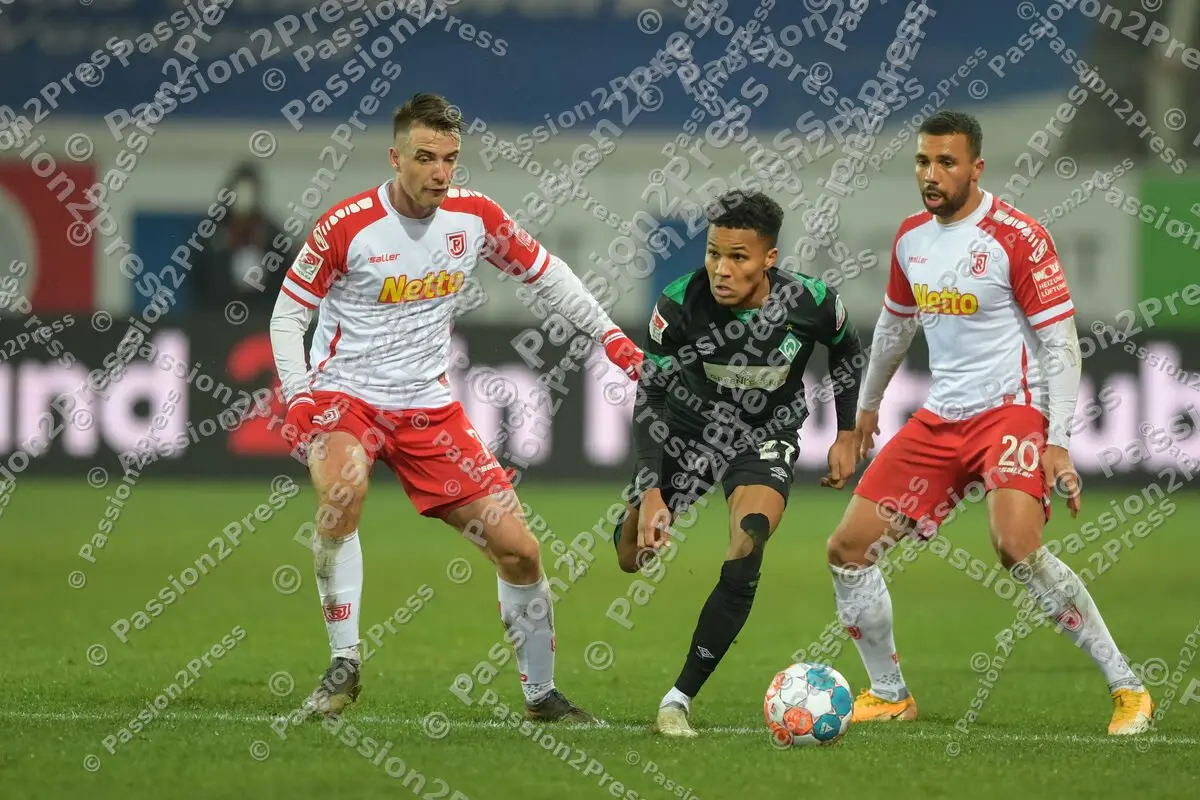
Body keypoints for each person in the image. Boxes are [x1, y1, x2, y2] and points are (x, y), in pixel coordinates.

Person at [268, 93, 643, 723]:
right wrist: (301, 396)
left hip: (428, 409)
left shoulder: (474, 218)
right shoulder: (347, 225)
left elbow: (547, 274)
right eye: (425, 158)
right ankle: (345, 661)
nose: (440, 172)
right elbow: (287, 316)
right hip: (345, 398)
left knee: (520, 550)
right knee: (343, 491)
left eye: (450, 159)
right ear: (395, 157)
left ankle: (541, 696)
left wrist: (611, 336)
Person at [828, 110, 1153, 735]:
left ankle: (1129, 688)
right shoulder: (909, 240)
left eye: (946, 162)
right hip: (941, 419)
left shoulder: (1019, 237)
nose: (931, 174)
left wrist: (1058, 442)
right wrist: (865, 409)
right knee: (847, 549)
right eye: (923, 161)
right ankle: (890, 692)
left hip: (1011, 411)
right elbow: (896, 327)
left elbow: (1061, 345)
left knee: (1015, 546)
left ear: (977, 167)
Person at [613, 190, 864, 737]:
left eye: (738, 257)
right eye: (713, 254)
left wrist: (847, 431)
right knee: (630, 556)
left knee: (749, 539)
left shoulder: (812, 302)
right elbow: (650, 397)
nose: (721, 270)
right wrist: (653, 490)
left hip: (764, 436)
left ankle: (677, 699)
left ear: (769, 259)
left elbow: (847, 347)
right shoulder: (679, 304)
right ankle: (641, 516)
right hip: (687, 431)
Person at [193, 162, 293, 312]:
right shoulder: (211, 231)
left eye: (249, 193)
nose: (244, 199)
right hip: (216, 313)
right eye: (239, 192)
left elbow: (285, 274)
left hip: (260, 314)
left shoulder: (271, 233)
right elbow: (196, 274)